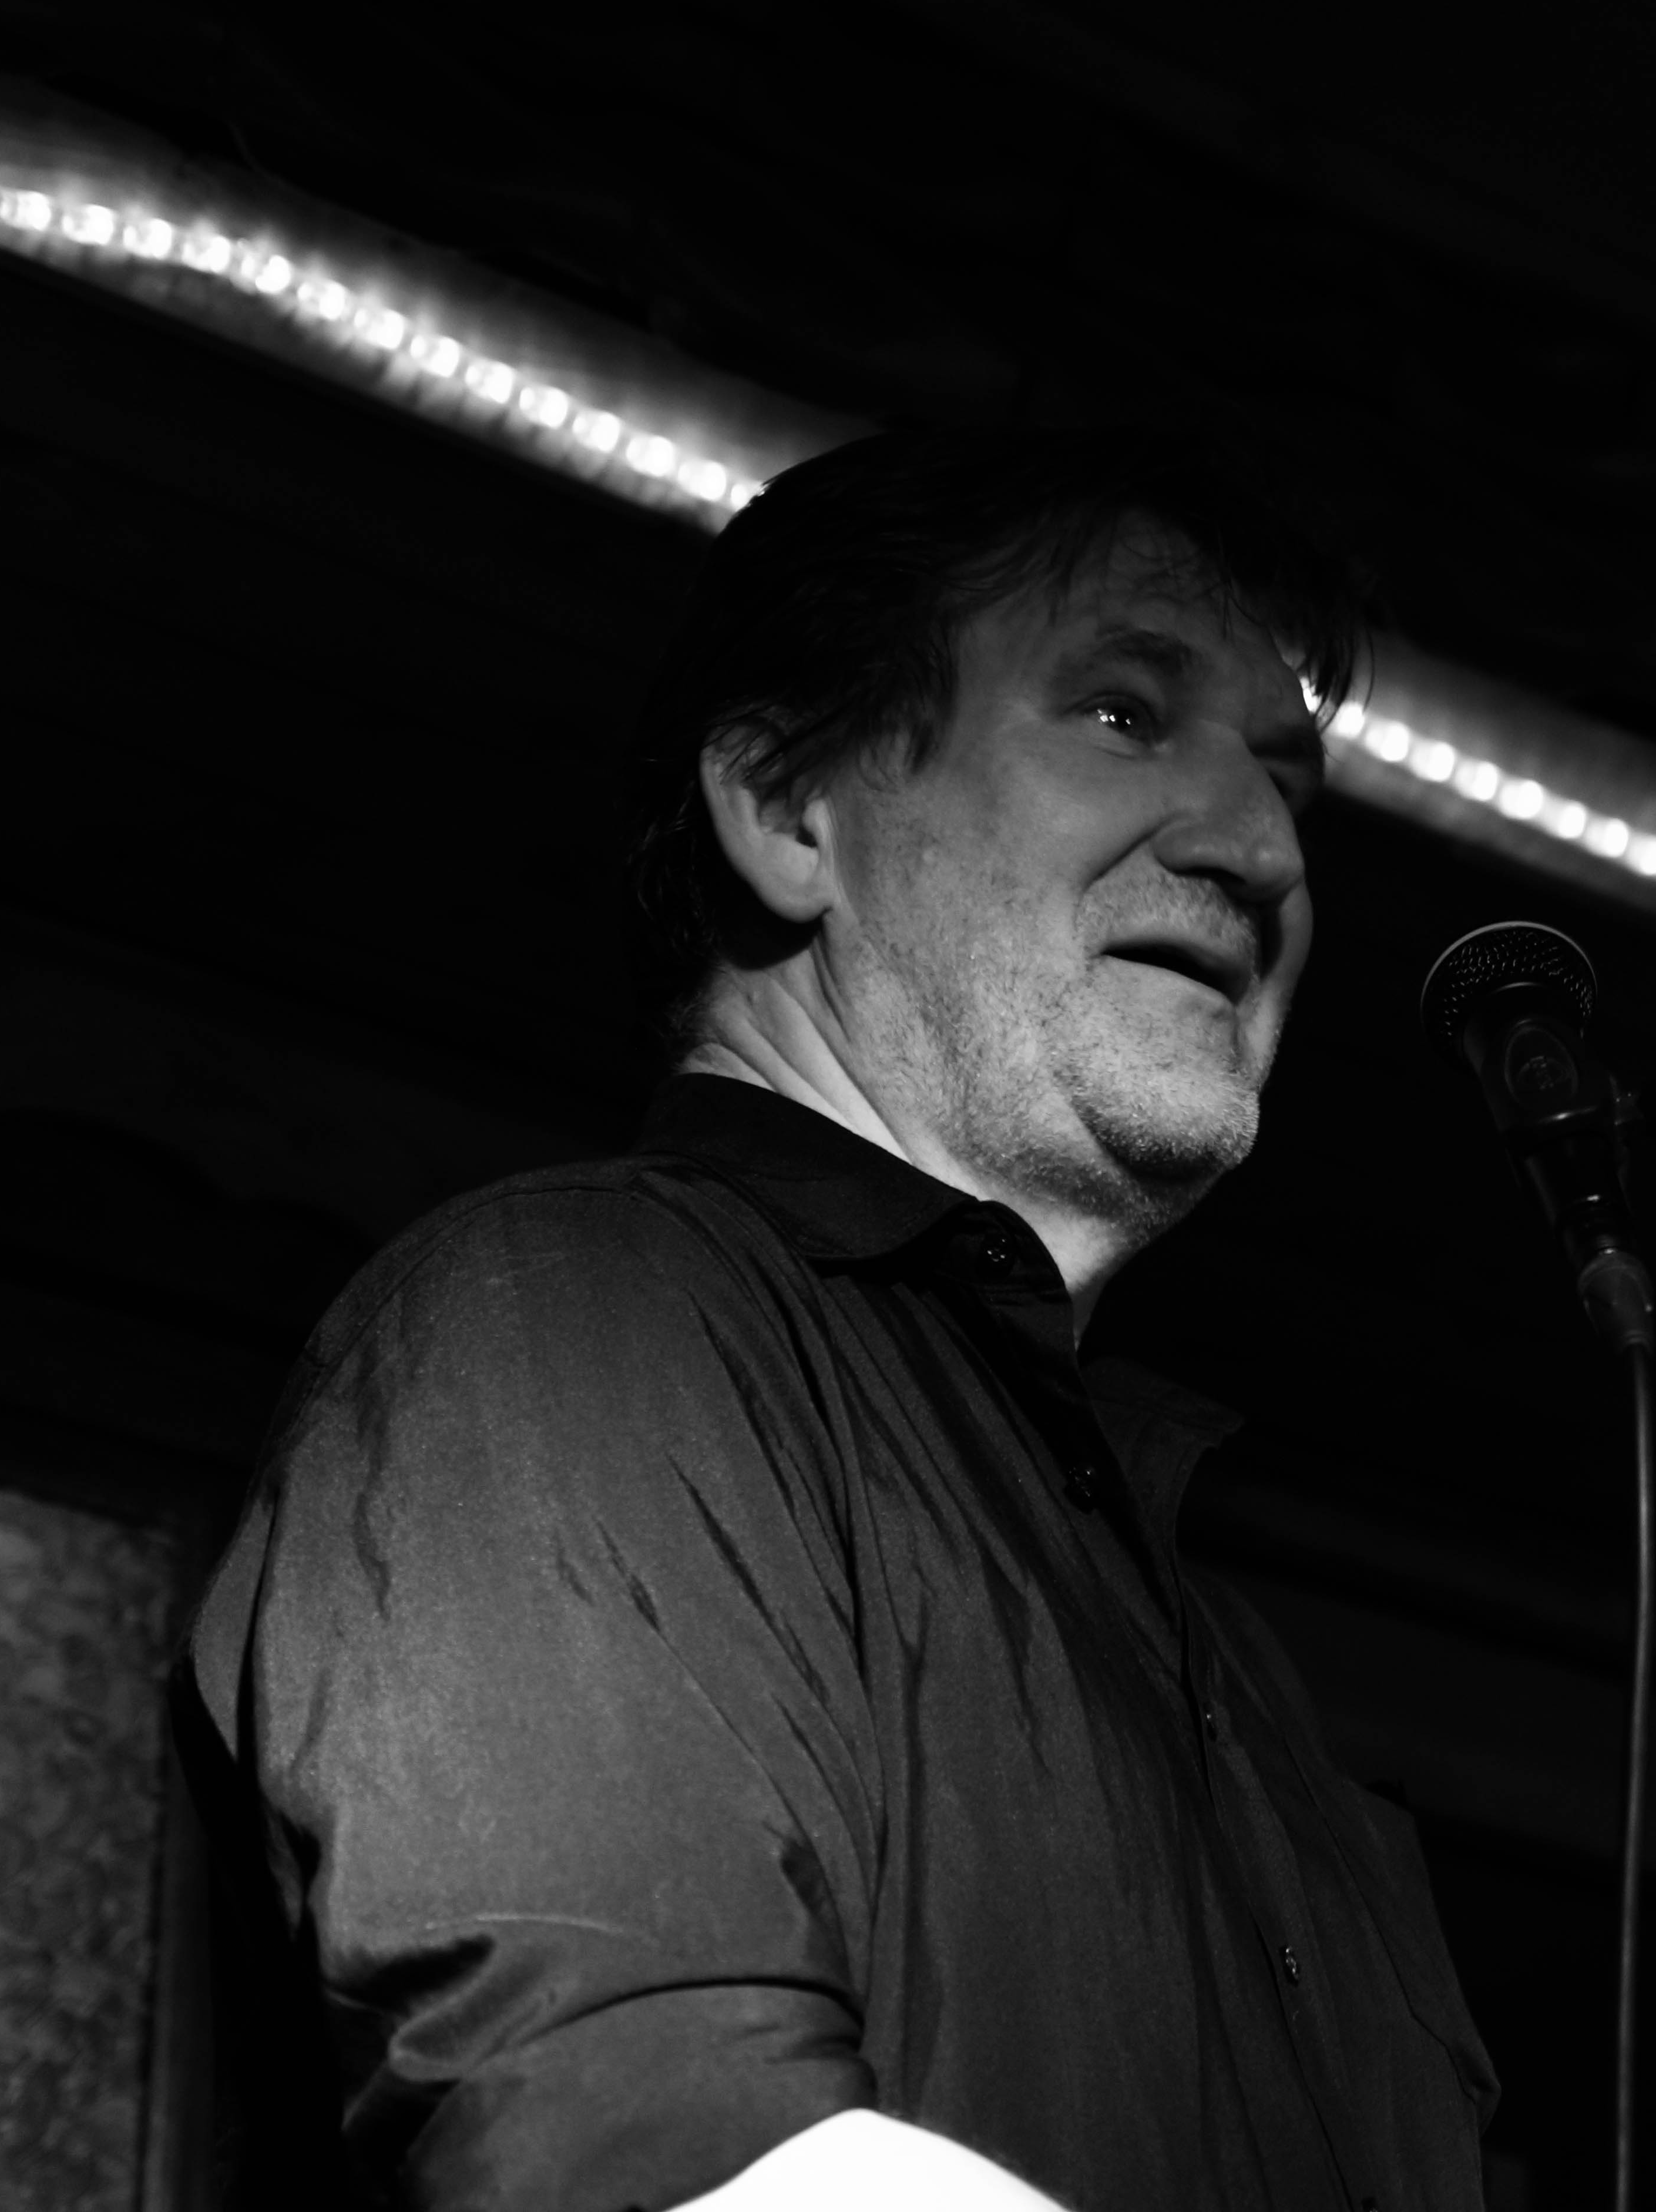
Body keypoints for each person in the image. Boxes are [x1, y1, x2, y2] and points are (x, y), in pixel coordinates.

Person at [178, 428, 1496, 2211]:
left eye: (1288, 784)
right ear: (790, 809)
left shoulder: (1233, 1673)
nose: (1261, 847)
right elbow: (648, 2134)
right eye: (1124, 713)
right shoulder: (568, 1326)